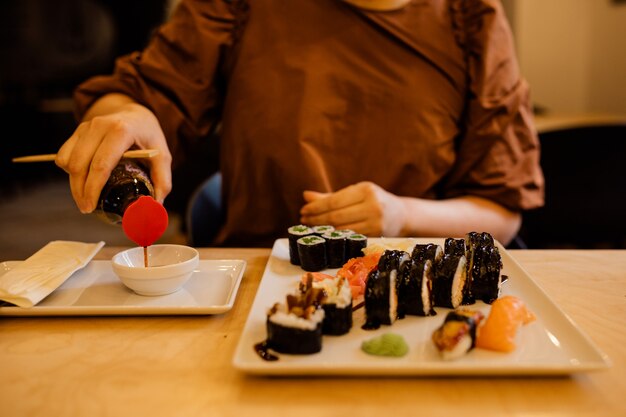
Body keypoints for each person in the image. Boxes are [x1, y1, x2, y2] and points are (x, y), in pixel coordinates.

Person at [55, 0, 544, 248]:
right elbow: (139, 94)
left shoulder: (471, 16)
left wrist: (400, 216)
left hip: (416, 285)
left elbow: (502, 208)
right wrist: (125, 114)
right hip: (259, 279)